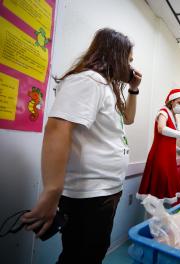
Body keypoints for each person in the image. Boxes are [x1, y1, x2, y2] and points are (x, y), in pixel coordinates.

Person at [21, 28, 141, 263]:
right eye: (129, 59)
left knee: (90, 254)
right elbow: (58, 128)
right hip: (90, 194)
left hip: (104, 190)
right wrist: (51, 191)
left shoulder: (104, 86)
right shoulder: (88, 80)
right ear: (115, 55)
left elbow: (128, 118)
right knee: (81, 257)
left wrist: (133, 88)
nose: (130, 66)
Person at [137, 89, 180, 203]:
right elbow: (161, 128)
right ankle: (152, 220)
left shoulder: (174, 117)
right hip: (160, 157)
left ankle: (159, 218)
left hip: (168, 158)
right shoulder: (163, 111)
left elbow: (167, 138)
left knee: (162, 194)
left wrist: (175, 148)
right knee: (155, 194)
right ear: (171, 101)